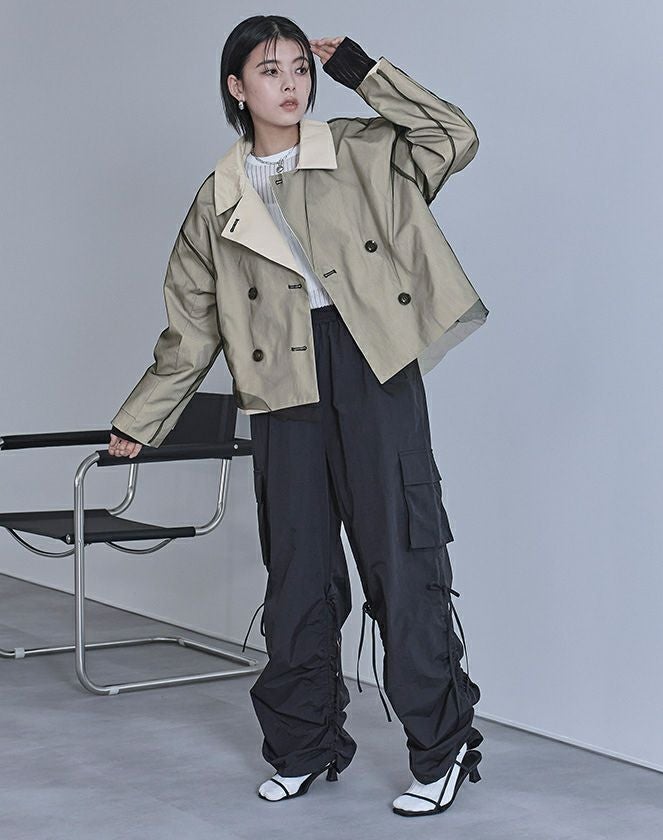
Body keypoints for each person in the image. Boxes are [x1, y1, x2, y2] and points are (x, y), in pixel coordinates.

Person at [109, 16, 487, 817]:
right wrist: (142, 418)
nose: (291, 84)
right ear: (236, 87)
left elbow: (452, 136)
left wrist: (361, 71)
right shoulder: (217, 196)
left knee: (402, 557)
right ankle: (304, 745)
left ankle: (443, 748)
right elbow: (193, 325)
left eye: (298, 70)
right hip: (278, 382)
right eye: (269, 70)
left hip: (370, 363)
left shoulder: (359, 149)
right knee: (298, 575)